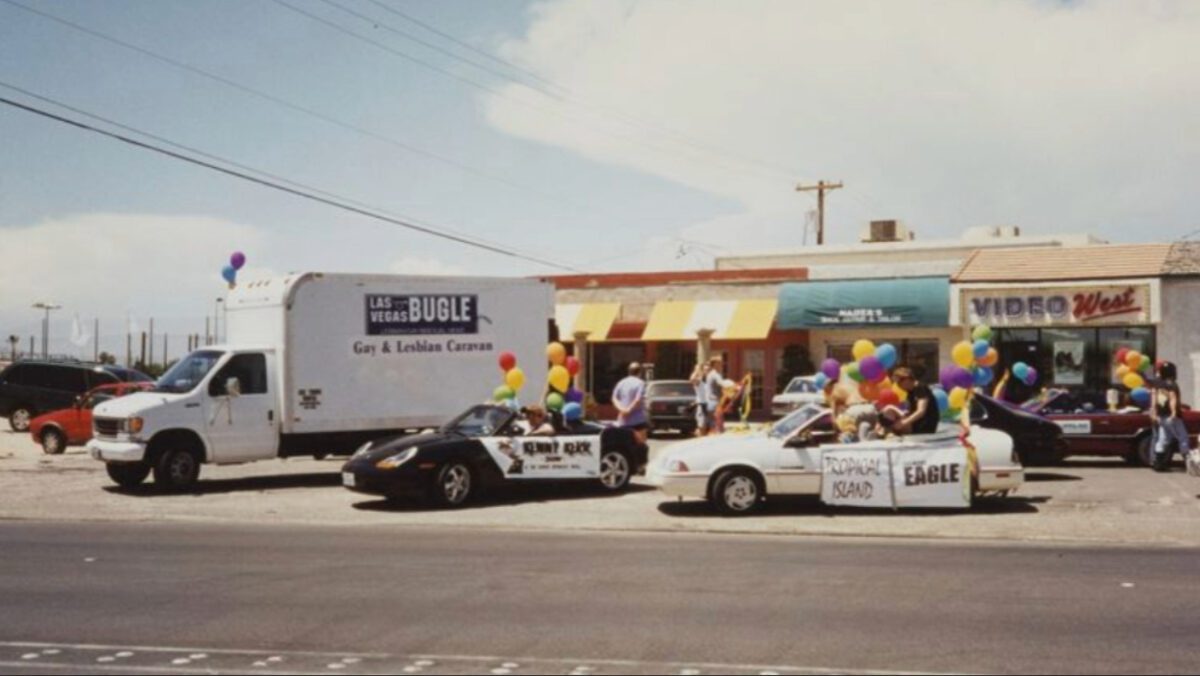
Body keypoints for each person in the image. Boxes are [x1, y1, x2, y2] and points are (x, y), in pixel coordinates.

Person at [1150, 361, 1192, 470]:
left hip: (1161, 416)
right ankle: (1188, 463)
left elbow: (1153, 398)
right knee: (1183, 438)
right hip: (1172, 417)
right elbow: (1172, 399)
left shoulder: (1157, 383)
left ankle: (1158, 463)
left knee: (1163, 439)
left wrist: (1154, 412)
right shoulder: (1171, 384)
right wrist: (1173, 412)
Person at [892, 367, 939, 435]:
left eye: (900, 382)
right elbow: (912, 409)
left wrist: (904, 422)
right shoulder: (910, 392)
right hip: (916, 422)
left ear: (907, 379)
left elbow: (921, 411)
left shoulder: (920, 388)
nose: (898, 385)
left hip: (924, 424)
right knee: (890, 412)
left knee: (889, 409)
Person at [612, 362, 649, 443]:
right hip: (638, 421)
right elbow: (638, 400)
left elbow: (614, 398)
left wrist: (622, 409)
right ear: (640, 372)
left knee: (624, 446)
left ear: (629, 371)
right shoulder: (640, 383)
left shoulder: (621, 383)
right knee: (641, 445)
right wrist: (629, 410)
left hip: (623, 421)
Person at [689, 362, 711, 436]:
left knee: (709, 427)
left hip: (710, 405)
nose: (707, 371)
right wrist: (697, 370)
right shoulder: (699, 381)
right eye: (705, 369)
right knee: (702, 426)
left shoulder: (710, 381)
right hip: (702, 404)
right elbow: (692, 379)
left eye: (708, 369)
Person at [705, 356, 726, 434]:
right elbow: (722, 383)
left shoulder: (712, 374)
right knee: (717, 425)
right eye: (719, 363)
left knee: (714, 424)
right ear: (714, 365)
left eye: (721, 363)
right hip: (714, 402)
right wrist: (735, 386)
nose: (721, 365)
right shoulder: (715, 374)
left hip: (713, 401)